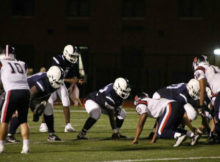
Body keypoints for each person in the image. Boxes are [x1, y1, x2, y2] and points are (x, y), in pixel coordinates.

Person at [6, 65, 65, 142]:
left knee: (48, 107)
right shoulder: (42, 81)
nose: (58, 83)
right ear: (51, 77)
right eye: (57, 81)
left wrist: (43, 104)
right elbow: (30, 95)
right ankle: (10, 135)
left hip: (33, 94)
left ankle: (51, 134)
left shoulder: (53, 81)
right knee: (21, 111)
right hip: (21, 91)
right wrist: (24, 107)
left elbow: (47, 93)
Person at [39, 45, 84, 133]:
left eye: (75, 56)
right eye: (72, 55)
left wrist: (74, 82)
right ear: (66, 53)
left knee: (65, 99)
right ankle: (43, 124)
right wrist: (69, 80)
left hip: (60, 81)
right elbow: (56, 74)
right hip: (52, 80)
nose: (74, 58)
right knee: (50, 101)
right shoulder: (58, 59)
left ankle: (68, 125)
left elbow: (72, 76)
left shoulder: (71, 62)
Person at [132, 92, 197, 147]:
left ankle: (179, 136)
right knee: (171, 128)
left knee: (161, 132)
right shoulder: (152, 103)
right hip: (177, 105)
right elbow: (158, 122)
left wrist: (136, 139)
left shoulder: (140, 104)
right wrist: (153, 139)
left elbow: (141, 122)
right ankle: (192, 135)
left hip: (170, 106)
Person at [0, 45, 30, 154]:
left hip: (11, 91)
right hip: (26, 92)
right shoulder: (22, 63)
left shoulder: (1, 63)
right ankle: (26, 147)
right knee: (23, 121)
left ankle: (1, 147)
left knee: (4, 120)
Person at [193, 55, 220, 142]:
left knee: (217, 115)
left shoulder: (200, 69)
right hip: (217, 93)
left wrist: (201, 105)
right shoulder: (214, 67)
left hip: (218, 91)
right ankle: (213, 134)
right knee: (215, 113)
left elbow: (202, 88)